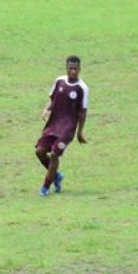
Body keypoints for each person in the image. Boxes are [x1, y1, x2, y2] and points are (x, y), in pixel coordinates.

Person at [35, 56, 89, 197]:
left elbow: (83, 112)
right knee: (40, 151)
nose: (73, 71)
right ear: (66, 68)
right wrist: (46, 109)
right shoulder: (59, 81)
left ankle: (45, 187)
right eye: (70, 68)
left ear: (80, 69)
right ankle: (56, 176)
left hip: (68, 128)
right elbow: (53, 100)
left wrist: (79, 132)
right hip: (53, 125)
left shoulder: (82, 88)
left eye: (75, 68)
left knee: (54, 154)